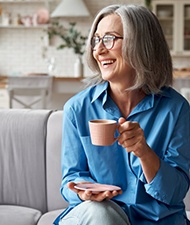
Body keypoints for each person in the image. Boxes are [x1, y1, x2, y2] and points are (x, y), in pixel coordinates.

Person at [54, 4, 190, 225]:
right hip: (98, 216)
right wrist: (83, 192)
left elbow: (174, 193)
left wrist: (144, 152)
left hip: (158, 220)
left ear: (141, 44)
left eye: (109, 39)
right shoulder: (77, 109)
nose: (98, 50)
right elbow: (70, 179)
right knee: (101, 214)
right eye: (96, 40)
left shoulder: (176, 109)